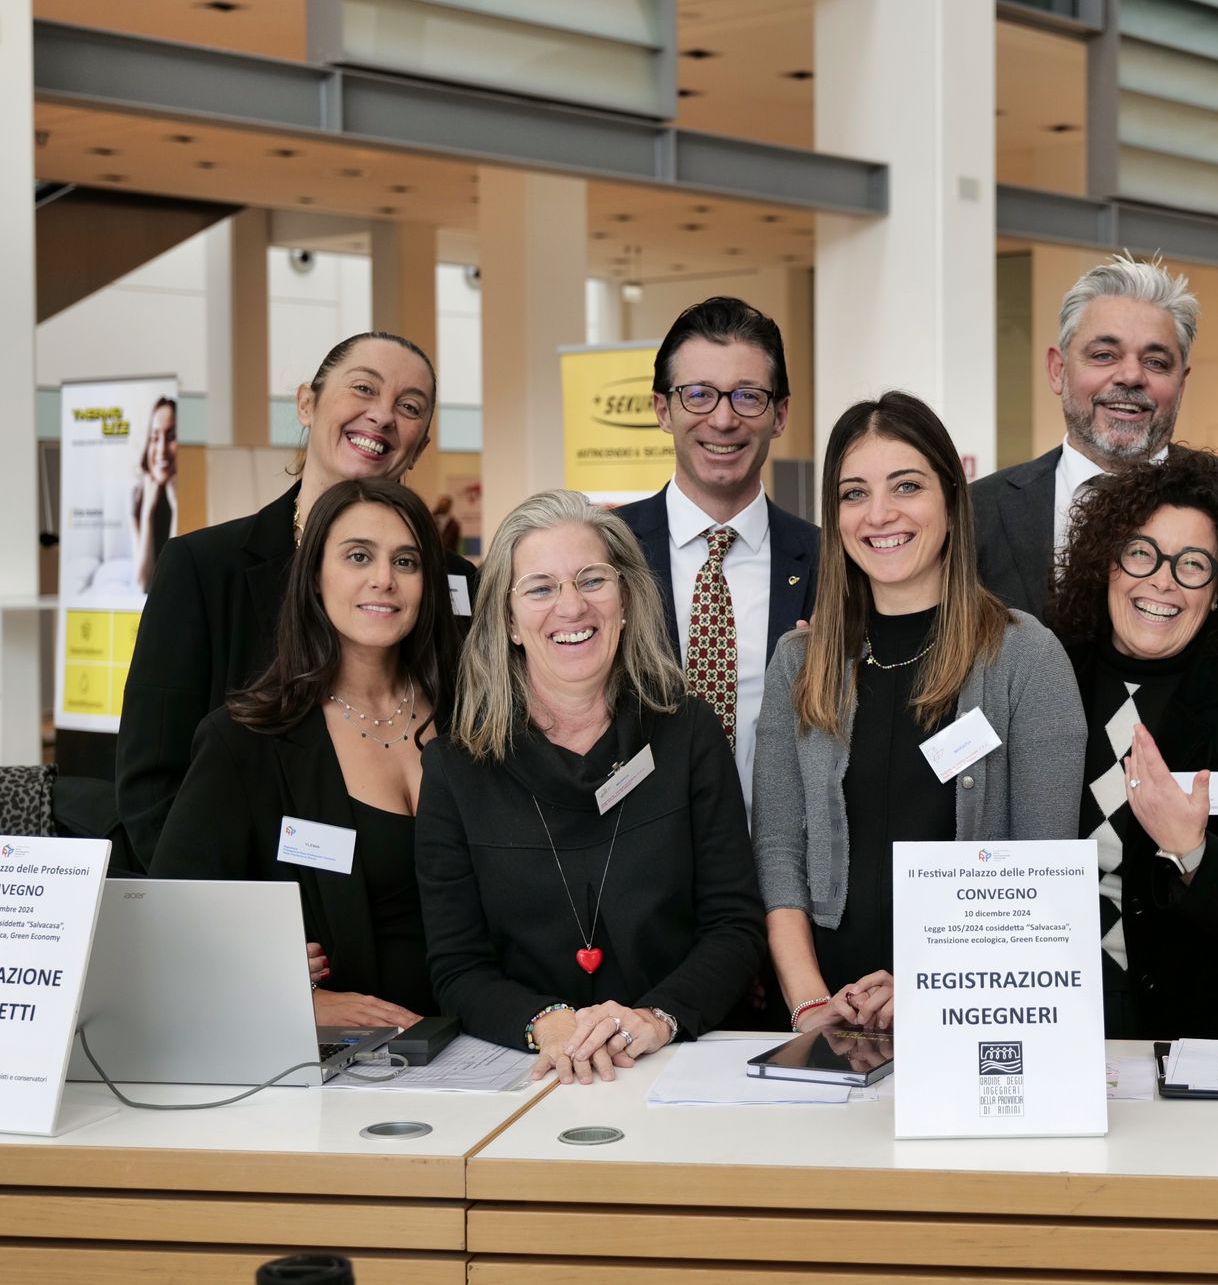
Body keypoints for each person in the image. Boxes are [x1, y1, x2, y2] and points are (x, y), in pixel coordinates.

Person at [753, 392, 1085, 1033]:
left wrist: (931, 986)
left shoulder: (1025, 657)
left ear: (953, 503)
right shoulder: (799, 662)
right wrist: (811, 1004)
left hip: (972, 1009)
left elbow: (1040, 875)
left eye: (906, 486)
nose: (880, 514)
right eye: (854, 494)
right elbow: (777, 850)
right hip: (825, 1013)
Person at [416, 490, 766, 1083]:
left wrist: (654, 1018)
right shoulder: (456, 768)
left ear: (625, 599)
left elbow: (734, 926)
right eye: (540, 588)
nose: (571, 606)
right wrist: (549, 1025)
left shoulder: (688, 734)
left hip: (675, 1064)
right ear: (508, 621)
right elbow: (457, 967)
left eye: (592, 580)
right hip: (530, 1073)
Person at [116, 331, 475, 871]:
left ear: (420, 446)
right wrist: (223, 907)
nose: (382, 416)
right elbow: (152, 784)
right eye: (363, 388)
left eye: (409, 407)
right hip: (258, 897)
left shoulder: (455, 580)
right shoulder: (204, 567)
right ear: (306, 403)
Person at [152, 478, 459, 1027]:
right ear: (315, 576)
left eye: (406, 561)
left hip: (490, 1038)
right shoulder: (245, 741)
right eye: (358, 556)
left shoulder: (474, 721)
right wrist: (292, 998)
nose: (383, 579)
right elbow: (171, 926)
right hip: (344, 1059)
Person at [1042, 448, 1218, 1040]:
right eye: (1141, 553)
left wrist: (1193, 853)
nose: (1162, 580)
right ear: (1106, 563)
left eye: (1192, 564)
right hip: (1053, 1025)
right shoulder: (1043, 686)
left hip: (1199, 1042)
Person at [970, 254, 1218, 618]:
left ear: (1181, 384)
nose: (1131, 376)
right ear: (1058, 370)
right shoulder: (977, 512)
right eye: (1104, 355)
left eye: (1156, 362)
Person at [613, 297, 819, 809]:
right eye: (699, 395)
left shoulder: (831, 563)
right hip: (635, 847)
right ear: (663, 410)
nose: (723, 420)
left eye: (748, 396)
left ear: (780, 415)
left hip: (787, 851)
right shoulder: (605, 550)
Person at [131, 396, 178, 592]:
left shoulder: (195, 490)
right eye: (155, 437)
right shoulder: (138, 495)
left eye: (171, 436)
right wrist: (147, 513)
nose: (161, 449)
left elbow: (176, 576)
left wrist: (177, 507)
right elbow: (143, 583)